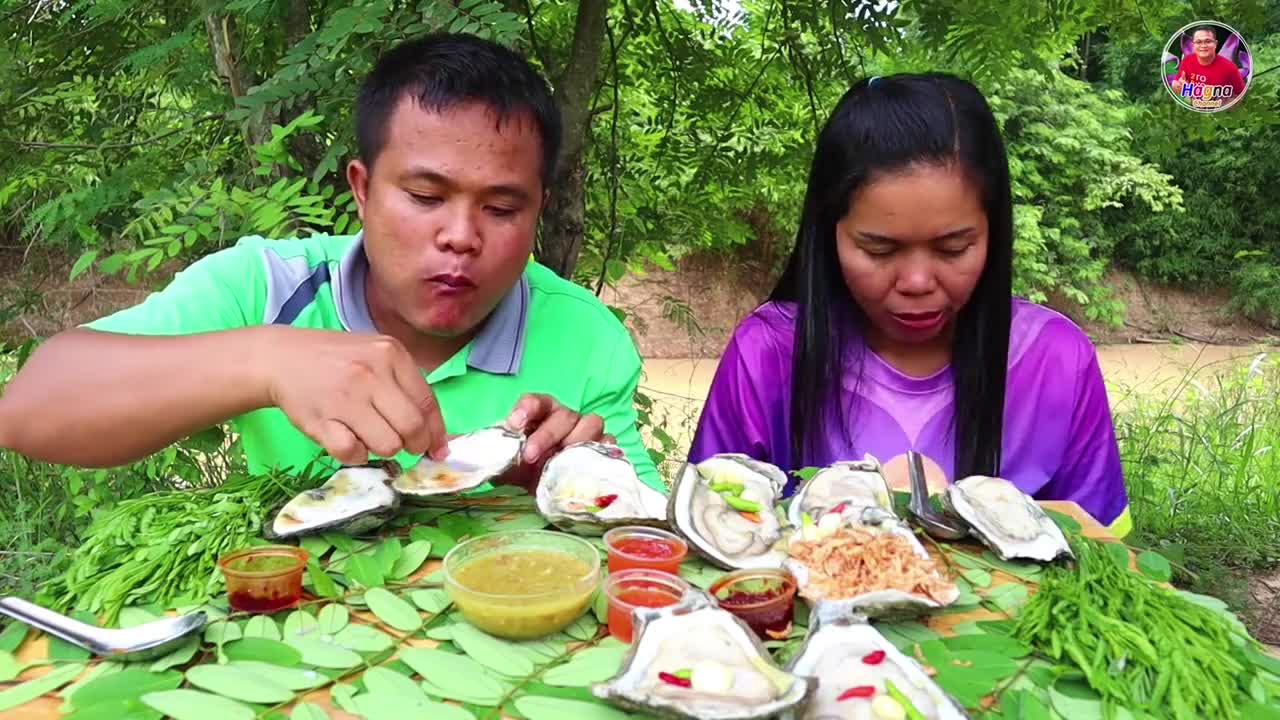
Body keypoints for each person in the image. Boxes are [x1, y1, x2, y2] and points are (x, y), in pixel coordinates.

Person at [0, 32, 663, 493]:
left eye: (501, 208)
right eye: (427, 196)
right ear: (363, 188)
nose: (461, 236)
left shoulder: (586, 337)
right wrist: (266, 361)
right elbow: (30, 408)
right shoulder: (265, 287)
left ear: (539, 209)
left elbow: (649, 546)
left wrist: (570, 485)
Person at [688, 73, 1131, 537]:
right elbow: (709, 538)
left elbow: (1105, 559)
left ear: (993, 232)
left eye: (954, 248)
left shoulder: (1056, 360)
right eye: (879, 250)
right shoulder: (768, 352)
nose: (917, 282)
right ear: (830, 233)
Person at [1170, 25, 1245, 109]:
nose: (1203, 46)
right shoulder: (1187, 61)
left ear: (1215, 44)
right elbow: (1176, 83)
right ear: (1193, 45)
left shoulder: (1230, 68)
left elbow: (1239, 97)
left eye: (1208, 41)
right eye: (1198, 42)